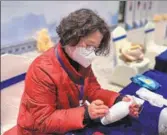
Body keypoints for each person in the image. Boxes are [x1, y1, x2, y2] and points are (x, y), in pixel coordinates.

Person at [4, 9, 141, 135]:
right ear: (71, 37)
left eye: (95, 48)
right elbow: (41, 121)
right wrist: (86, 114)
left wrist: (117, 99)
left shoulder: (81, 61)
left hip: (65, 124)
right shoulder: (42, 70)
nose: (91, 53)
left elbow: (92, 90)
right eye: (89, 45)